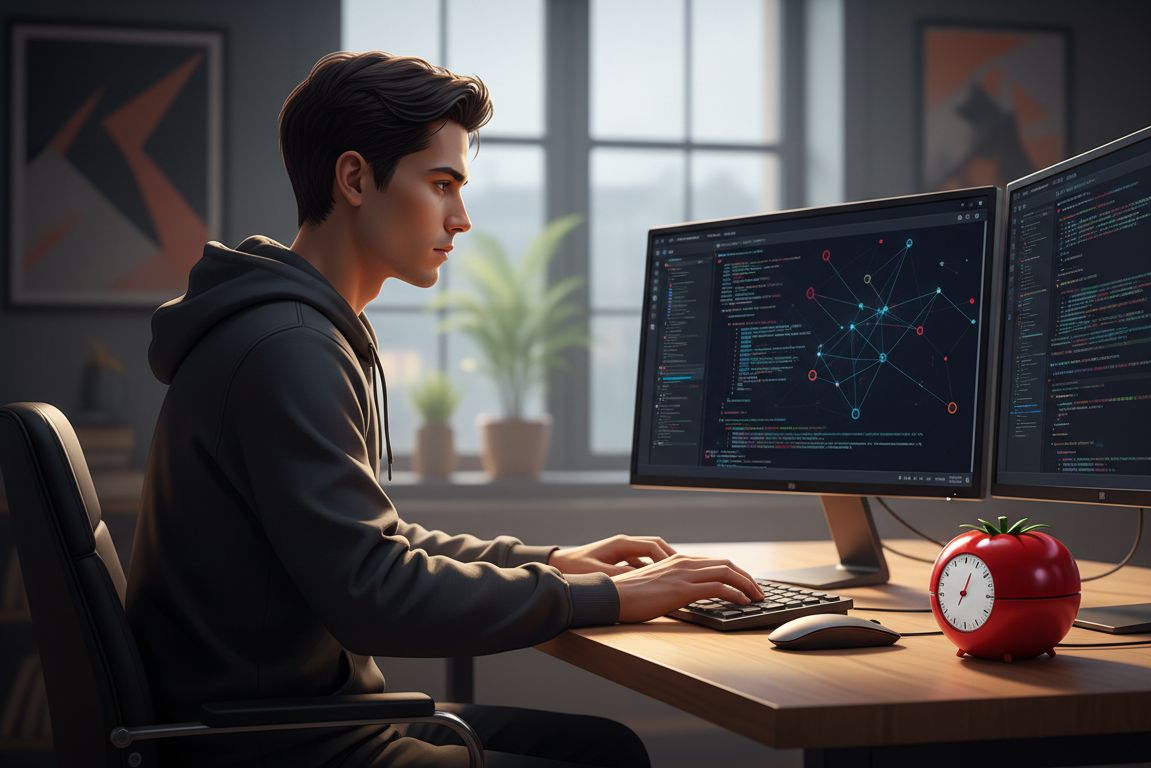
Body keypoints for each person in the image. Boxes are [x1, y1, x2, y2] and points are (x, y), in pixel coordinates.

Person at [125, 50, 764, 768]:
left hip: (291, 722)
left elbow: (373, 544)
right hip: (281, 745)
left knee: (607, 747)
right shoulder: (289, 347)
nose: (460, 219)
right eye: (441, 184)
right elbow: (374, 593)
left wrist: (554, 560)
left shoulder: (287, 330)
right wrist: (606, 598)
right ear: (356, 178)